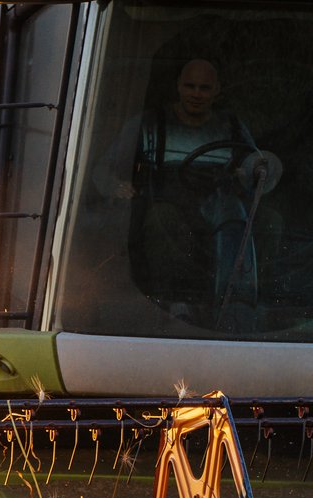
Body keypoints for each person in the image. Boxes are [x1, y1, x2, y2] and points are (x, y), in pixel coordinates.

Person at [97, 58, 281, 323]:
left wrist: (251, 172)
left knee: (271, 222)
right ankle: (176, 301)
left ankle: (252, 301)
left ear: (217, 89)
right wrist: (115, 186)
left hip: (220, 205)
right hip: (170, 204)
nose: (196, 93)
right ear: (178, 87)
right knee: (162, 221)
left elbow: (256, 164)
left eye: (204, 88)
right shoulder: (150, 123)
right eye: (190, 86)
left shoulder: (231, 125)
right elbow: (102, 168)